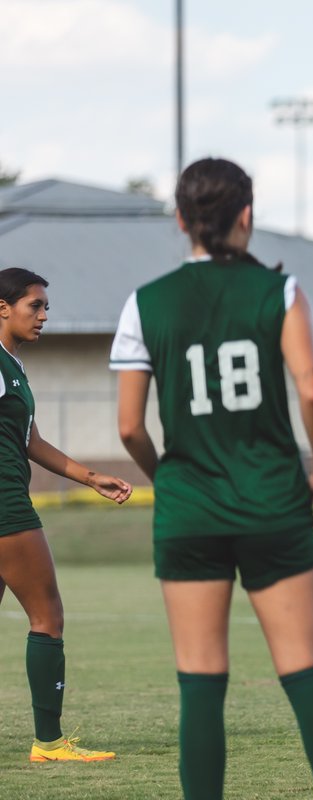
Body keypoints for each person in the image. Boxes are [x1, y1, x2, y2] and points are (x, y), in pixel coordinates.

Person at [113, 158, 313, 799]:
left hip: (188, 508)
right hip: (273, 499)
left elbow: (130, 428)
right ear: (247, 215)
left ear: (180, 220)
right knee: (306, 675)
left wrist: (168, 482)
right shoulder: (280, 290)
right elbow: (311, 392)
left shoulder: (145, 303)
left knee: (199, 683)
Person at [0, 267, 132, 763]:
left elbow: (30, 441)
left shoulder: (13, 366)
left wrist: (89, 476)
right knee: (47, 615)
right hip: (5, 505)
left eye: (46, 307)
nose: (44, 315)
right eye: (35, 306)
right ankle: (49, 743)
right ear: (3, 307)